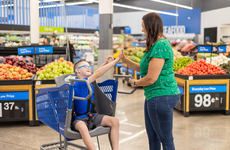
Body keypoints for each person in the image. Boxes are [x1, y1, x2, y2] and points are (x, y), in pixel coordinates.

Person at [119, 12, 180, 150]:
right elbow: (143, 68)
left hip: (161, 96)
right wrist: (124, 60)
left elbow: (151, 78)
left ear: (150, 26)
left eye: (143, 26)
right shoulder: (154, 45)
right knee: (153, 138)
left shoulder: (161, 45)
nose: (142, 30)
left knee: (166, 140)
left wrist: (136, 83)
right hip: (153, 96)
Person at [73, 56, 120, 150]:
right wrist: (116, 61)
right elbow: (98, 73)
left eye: (89, 66)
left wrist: (105, 63)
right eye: (85, 66)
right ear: (77, 71)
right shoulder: (79, 82)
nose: (88, 67)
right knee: (82, 127)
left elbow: (96, 72)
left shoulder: (88, 81)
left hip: (93, 116)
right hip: (80, 119)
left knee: (115, 121)